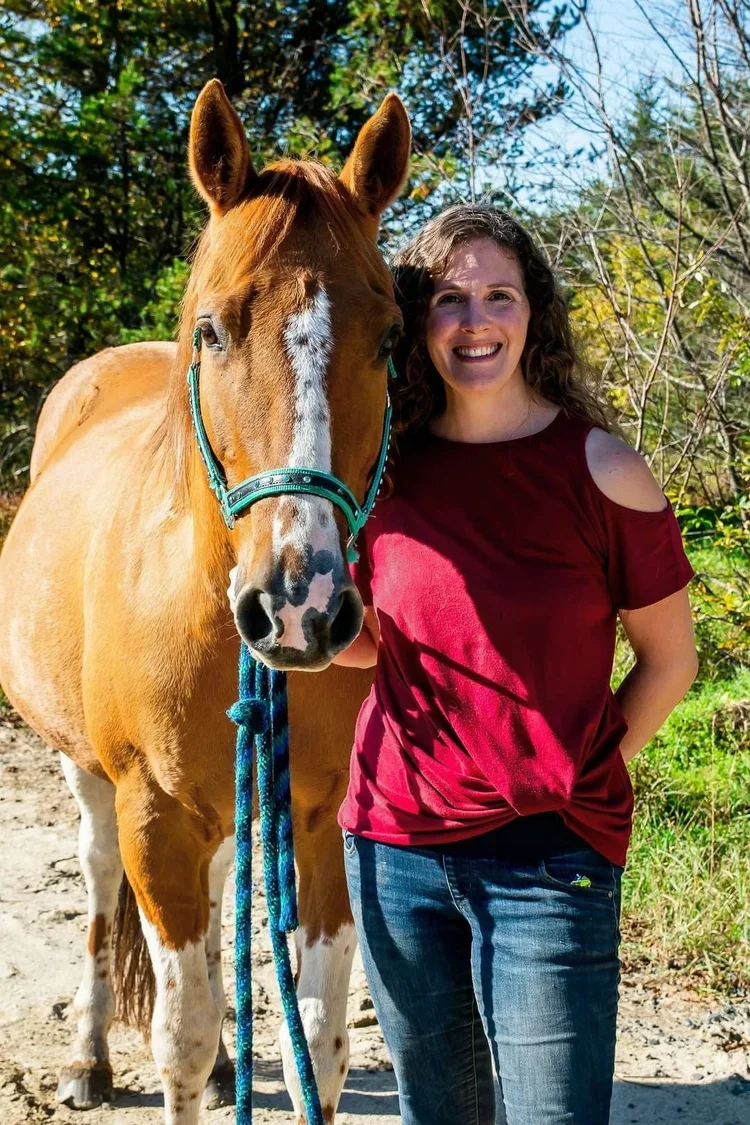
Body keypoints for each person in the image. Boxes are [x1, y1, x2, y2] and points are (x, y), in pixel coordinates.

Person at [333, 205, 697, 1125]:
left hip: (548, 859)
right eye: (449, 299)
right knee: (440, 1114)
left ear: (534, 309)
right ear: (420, 321)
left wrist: (587, 767)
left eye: (499, 293)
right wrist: (312, 629)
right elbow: (392, 640)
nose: (474, 320)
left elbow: (669, 660)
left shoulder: (604, 469)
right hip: (394, 849)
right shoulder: (383, 474)